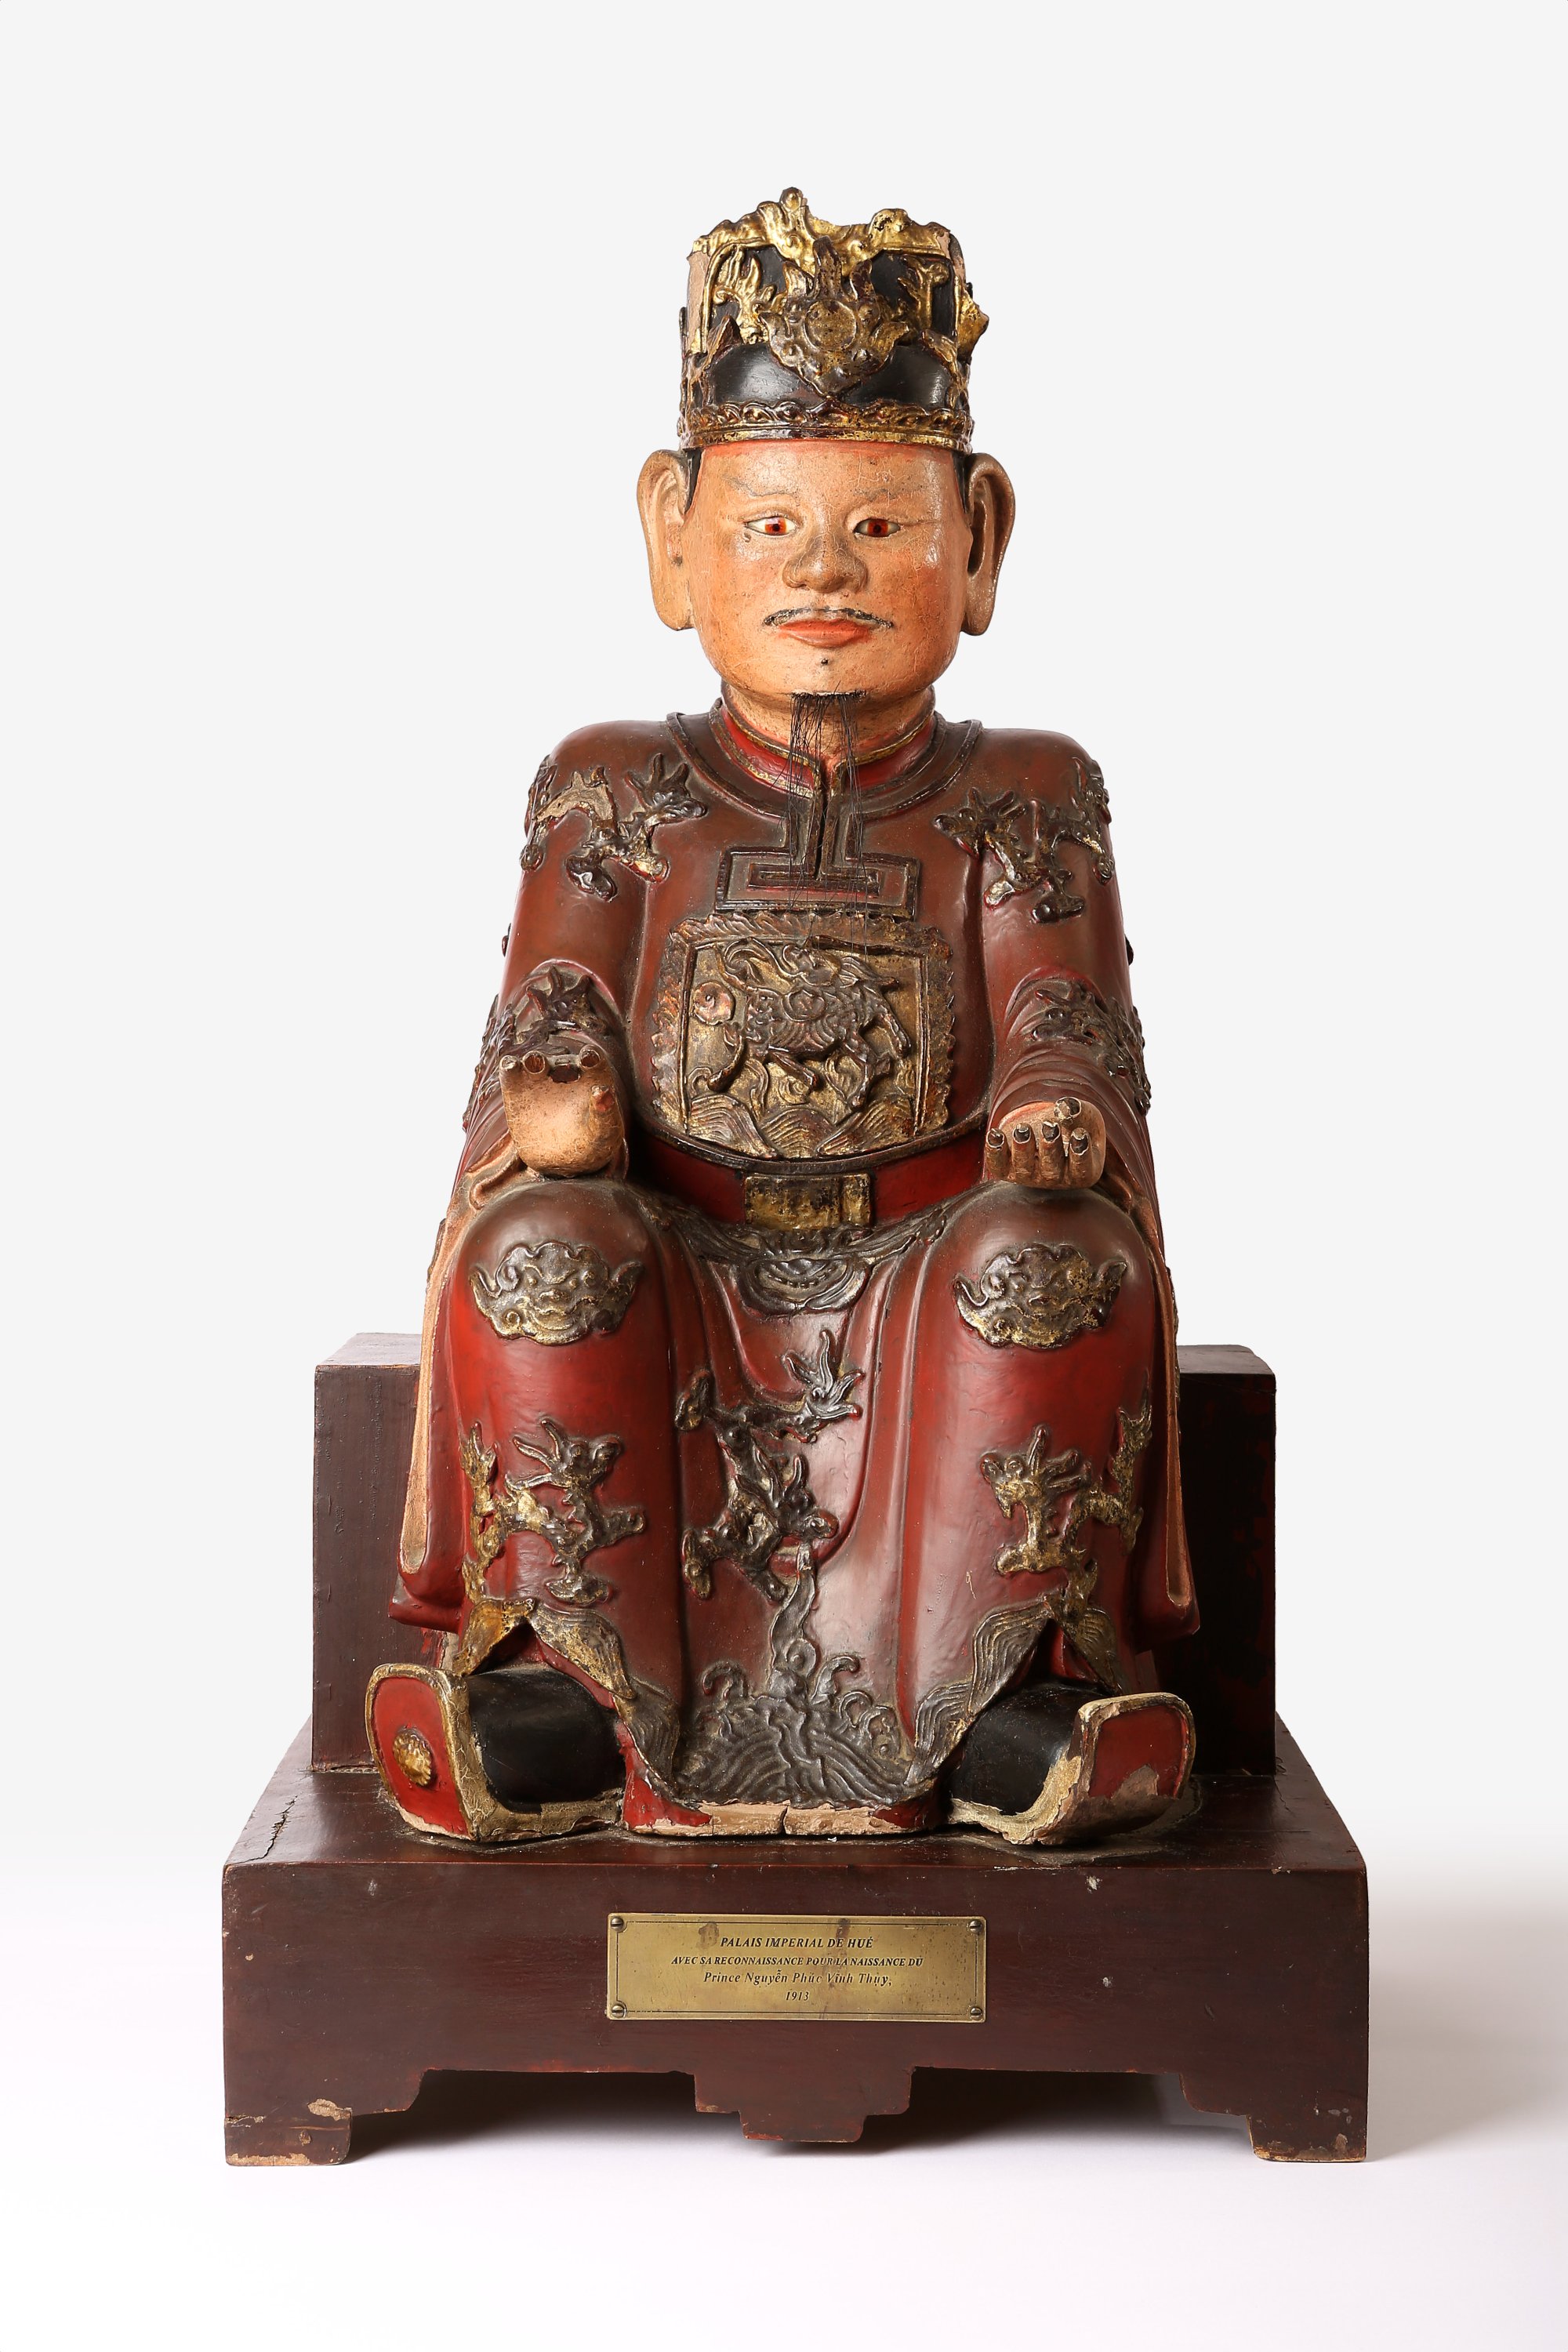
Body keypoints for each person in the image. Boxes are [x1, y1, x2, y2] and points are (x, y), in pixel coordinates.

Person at [368, 191, 1199, 1846]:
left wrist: (1053, 1106)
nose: (825, 568)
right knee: (540, 1246)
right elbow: (553, 997)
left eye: (882, 524)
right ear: (671, 536)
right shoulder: (615, 788)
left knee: (1052, 1261)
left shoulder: (1025, 795)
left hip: (931, 1257)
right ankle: (567, 1683)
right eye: (768, 524)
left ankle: (1006, 1690)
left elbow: (1066, 1013)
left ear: (980, 538)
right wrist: (557, 1093)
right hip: (676, 1252)